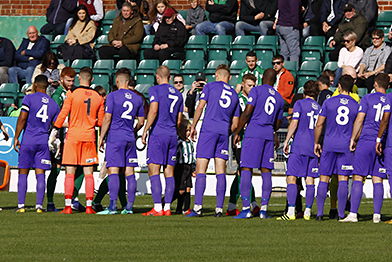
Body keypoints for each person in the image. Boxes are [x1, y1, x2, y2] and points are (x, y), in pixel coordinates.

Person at [186, 64, 240, 217]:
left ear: (217, 75)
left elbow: (200, 106)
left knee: (201, 168)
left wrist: (193, 125)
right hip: (223, 132)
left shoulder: (210, 87)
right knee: (220, 171)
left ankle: (197, 207)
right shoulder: (234, 95)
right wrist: (226, 131)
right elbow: (235, 124)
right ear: (228, 77)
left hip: (208, 130)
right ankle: (218, 209)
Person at [231, 69, 284, 219]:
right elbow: (278, 123)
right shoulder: (279, 98)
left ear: (263, 79)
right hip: (268, 134)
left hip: (253, 132)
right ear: (274, 81)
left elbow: (247, 112)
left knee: (246, 168)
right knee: (266, 171)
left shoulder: (256, 91)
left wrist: (237, 132)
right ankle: (264, 210)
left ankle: (247, 208)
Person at [53, 67, 104, 214]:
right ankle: (89, 206)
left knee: (70, 172)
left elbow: (62, 115)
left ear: (79, 78)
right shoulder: (98, 98)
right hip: (89, 137)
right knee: (88, 173)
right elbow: (100, 122)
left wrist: (56, 127)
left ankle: (68, 206)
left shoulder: (72, 94)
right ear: (92, 79)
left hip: (73, 137)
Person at [340, 73, 389, 223]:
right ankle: (377, 215)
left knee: (358, 177)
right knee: (378, 178)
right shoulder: (389, 100)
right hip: (382, 142)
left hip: (366, 140)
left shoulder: (367, 98)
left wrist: (353, 139)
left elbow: (359, 119)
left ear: (375, 84)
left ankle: (353, 214)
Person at [97, 70, 145, 215]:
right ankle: (129, 207)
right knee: (129, 171)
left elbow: (107, 118)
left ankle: (112, 207)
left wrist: (101, 137)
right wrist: (133, 130)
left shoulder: (112, 96)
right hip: (129, 137)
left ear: (118, 81)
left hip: (115, 137)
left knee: (114, 171)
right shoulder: (137, 99)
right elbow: (141, 122)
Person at [314, 75, 359, 220]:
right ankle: (340, 214)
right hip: (346, 145)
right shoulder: (355, 104)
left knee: (324, 178)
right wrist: (354, 140)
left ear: (339, 86)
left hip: (329, 144)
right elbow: (358, 126)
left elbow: (319, 124)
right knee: (343, 179)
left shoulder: (329, 102)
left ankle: (320, 214)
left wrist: (316, 142)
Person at [13, 75, 60, 213]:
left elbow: (22, 118)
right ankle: (39, 206)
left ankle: (21, 206)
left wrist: (16, 137)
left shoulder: (29, 98)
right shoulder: (53, 104)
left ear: (35, 85)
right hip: (42, 141)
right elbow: (56, 124)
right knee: (40, 174)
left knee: (23, 172)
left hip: (28, 139)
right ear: (46, 87)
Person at [141, 66, 183, 216]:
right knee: (169, 172)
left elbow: (153, 110)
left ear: (157, 77)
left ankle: (157, 207)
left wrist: (145, 130)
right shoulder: (178, 94)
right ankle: (167, 208)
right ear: (170, 77)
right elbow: (179, 120)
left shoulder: (155, 90)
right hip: (172, 134)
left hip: (158, 133)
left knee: (154, 169)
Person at [277, 80, 320, 221]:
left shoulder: (300, 104)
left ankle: (290, 212)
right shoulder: (319, 108)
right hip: (312, 146)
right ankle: (307, 211)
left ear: (304, 92)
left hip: (300, 145)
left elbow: (294, 122)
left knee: (291, 177)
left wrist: (286, 140)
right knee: (310, 180)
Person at [227, 73, 260, 216]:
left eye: (253, 85)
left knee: (243, 171)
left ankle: (232, 206)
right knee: (244, 170)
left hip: (251, 137)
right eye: (249, 85)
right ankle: (252, 204)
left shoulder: (255, 99)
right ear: (243, 85)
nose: (252, 88)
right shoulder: (238, 99)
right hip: (240, 138)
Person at [46, 67, 76, 212]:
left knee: (78, 169)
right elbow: (53, 119)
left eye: (72, 80)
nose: (71, 83)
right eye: (68, 80)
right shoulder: (58, 95)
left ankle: (73, 199)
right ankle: (50, 201)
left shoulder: (74, 93)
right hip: (60, 137)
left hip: (73, 136)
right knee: (56, 170)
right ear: (61, 80)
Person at [173, 118, 195, 214]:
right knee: (181, 190)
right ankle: (166, 202)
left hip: (188, 167)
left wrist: (194, 168)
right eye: (186, 130)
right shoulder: (178, 142)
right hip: (180, 168)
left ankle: (186, 209)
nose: (188, 133)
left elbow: (192, 156)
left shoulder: (190, 143)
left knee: (188, 188)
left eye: (189, 130)